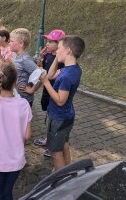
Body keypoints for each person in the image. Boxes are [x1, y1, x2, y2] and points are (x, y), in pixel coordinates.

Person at [0, 61, 32, 200]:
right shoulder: (24, 104)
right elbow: (27, 135)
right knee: (7, 192)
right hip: (16, 159)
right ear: (15, 82)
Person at [39, 35, 85, 171]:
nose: (56, 51)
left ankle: (61, 178)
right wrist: (57, 59)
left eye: (59, 48)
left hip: (59, 117)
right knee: (64, 144)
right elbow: (51, 74)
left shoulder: (66, 76)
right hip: (66, 116)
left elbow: (60, 100)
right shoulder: (73, 68)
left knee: (55, 151)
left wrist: (46, 84)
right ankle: (67, 170)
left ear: (68, 51)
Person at [33, 29, 66, 158]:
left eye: (51, 41)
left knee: (55, 120)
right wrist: (41, 57)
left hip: (56, 92)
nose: (47, 43)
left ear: (60, 44)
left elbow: (51, 76)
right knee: (49, 116)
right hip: (47, 91)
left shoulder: (62, 61)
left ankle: (52, 145)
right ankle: (49, 139)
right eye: (47, 40)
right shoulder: (47, 55)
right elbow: (41, 69)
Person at [9, 28, 41, 107]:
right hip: (16, 97)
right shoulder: (16, 56)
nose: (9, 43)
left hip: (24, 100)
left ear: (21, 43)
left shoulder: (25, 59)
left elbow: (42, 75)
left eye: (11, 41)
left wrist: (31, 90)